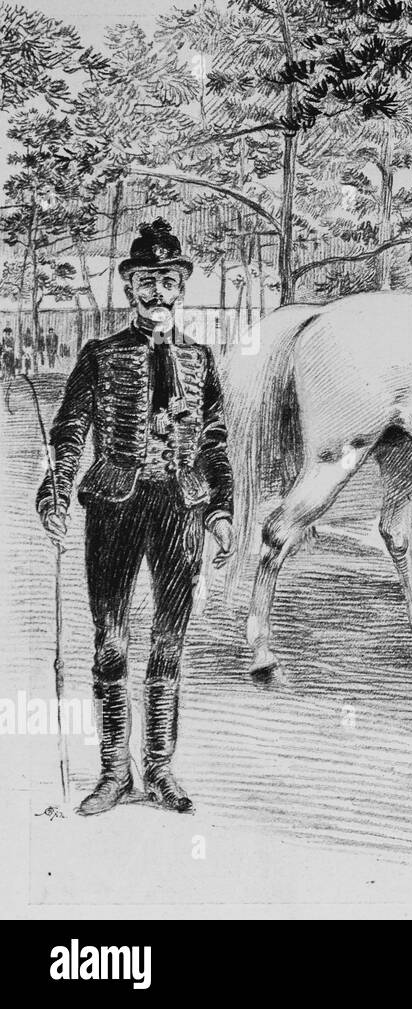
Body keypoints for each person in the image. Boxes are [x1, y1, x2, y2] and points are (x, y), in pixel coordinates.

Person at [36, 219, 235, 817]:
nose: (155, 291)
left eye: (167, 280)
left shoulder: (201, 359)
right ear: (129, 286)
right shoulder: (100, 355)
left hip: (180, 505)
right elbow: (70, 429)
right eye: (145, 280)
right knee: (111, 641)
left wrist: (222, 510)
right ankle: (113, 772)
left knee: (170, 643)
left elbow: (216, 441)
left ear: (181, 288)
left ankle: (161, 770)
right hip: (115, 505)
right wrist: (56, 490)